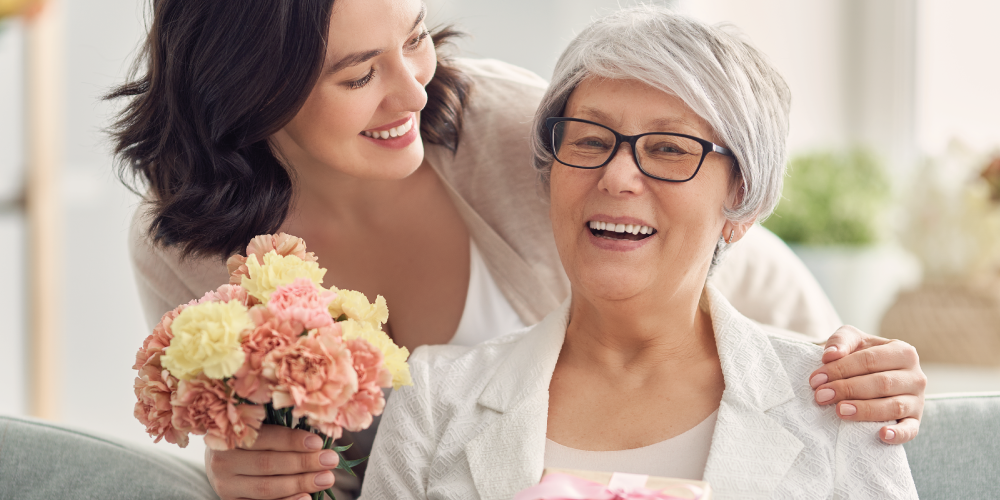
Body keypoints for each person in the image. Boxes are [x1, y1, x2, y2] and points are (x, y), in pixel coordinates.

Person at [110, 0, 925, 498]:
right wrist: (240, 467)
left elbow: (711, 231)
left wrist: (835, 369)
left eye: (418, 37)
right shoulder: (185, 247)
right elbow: (258, 441)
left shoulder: (504, 126)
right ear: (251, 88)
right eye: (359, 76)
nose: (414, 89)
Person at [360, 6, 919, 498]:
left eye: (670, 149)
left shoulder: (839, 409)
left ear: (741, 201)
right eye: (590, 141)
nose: (618, 176)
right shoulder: (434, 398)